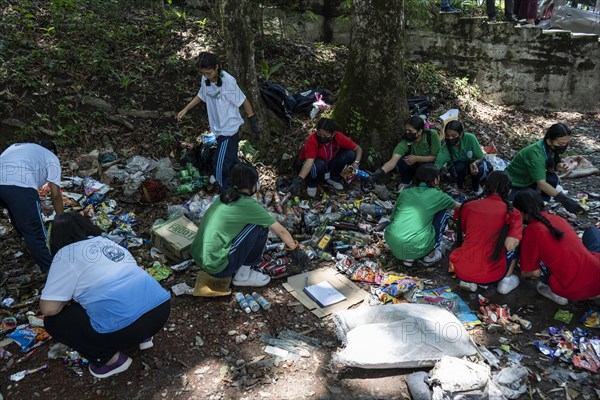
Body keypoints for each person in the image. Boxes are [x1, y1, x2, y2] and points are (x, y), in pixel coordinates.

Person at [40, 213, 171, 378]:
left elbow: (48, 308)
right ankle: (144, 337)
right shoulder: (106, 242)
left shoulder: (65, 254)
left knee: (54, 321)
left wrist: (65, 298)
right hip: (161, 311)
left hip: (128, 327)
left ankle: (110, 359)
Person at [191, 163, 311, 286]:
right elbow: (281, 231)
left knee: (250, 225)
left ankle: (237, 264)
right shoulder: (248, 205)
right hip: (218, 268)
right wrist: (295, 250)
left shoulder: (224, 196)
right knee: (260, 227)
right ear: (252, 185)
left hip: (199, 257)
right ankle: (243, 275)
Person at [177, 52, 260, 190]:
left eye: (208, 73)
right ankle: (248, 183)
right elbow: (201, 95)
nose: (206, 76)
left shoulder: (228, 81)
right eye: (203, 73)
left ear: (216, 67)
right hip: (218, 128)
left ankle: (224, 192)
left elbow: (244, 100)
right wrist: (186, 109)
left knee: (219, 165)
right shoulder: (205, 79)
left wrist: (253, 121)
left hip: (228, 129)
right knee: (232, 161)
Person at [513, 189, 600, 304]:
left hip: (572, 290)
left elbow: (533, 273)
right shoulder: (558, 219)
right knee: (592, 232)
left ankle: (554, 292)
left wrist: (521, 269)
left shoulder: (531, 232)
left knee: (533, 262)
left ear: (522, 214)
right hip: (596, 277)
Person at [450, 171, 522, 293]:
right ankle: (505, 282)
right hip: (492, 274)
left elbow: (464, 229)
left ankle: (471, 280)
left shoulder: (469, 206)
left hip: (462, 269)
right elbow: (510, 245)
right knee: (517, 243)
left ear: (484, 187)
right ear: (509, 191)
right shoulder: (513, 213)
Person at [0, 141, 63, 273]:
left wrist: (39, 205)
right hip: (20, 187)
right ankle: (52, 271)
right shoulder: (51, 157)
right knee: (35, 232)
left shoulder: (16, 147)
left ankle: (27, 244)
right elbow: (56, 195)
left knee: (15, 213)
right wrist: (62, 220)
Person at [384, 164, 459, 267]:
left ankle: (407, 257)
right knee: (444, 211)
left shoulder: (405, 193)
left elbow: (392, 218)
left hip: (393, 242)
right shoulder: (438, 195)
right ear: (435, 180)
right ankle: (430, 255)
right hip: (417, 247)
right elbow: (460, 207)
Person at [506, 123, 585, 214]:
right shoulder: (536, 154)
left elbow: (550, 163)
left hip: (530, 180)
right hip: (515, 184)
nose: (564, 146)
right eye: (561, 143)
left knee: (552, 179)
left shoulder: (549, 147)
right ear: (549, 141)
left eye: (566, 143)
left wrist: (559, 166)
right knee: (521, 205)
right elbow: (541, 183)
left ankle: (542, 201)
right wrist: (564, 200)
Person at [284, 118, 363, 198]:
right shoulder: (312, 140)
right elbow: (309, 162)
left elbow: (358, 149)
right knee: (318, 164)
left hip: (328, 164)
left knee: (350, 154)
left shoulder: (338, 137)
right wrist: (299, 180)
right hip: (309, 165)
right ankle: (312, 183)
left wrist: (356, 163)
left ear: (333, 134)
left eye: (325, 135)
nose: (322, 137)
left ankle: (332, 178)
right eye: (320, 134)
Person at [370, 116, 441, 189]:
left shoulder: (431, 135)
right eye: (406, 130)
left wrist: (416, 158)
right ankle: (407, 181)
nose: (407, 133)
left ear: (419, 132)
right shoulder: (406, 142)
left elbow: (435, 157)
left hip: (428, 166)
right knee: (401, 160)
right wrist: (378, 173)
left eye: (410, 131)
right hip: (414, 166)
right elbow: (393, 161)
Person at [435, 120, 489, 195]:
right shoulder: (446, 147)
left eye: (453, 136)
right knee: (458, 168)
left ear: (461, 134)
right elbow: (437, 165)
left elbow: (480, 157)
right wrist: (434, 176)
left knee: (479, 170)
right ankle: (460, 186)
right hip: (460, 167)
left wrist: (474, 163)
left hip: (473, 163)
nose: (450, 138)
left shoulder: (470, 138)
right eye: (447, 135)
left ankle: (476, 187)